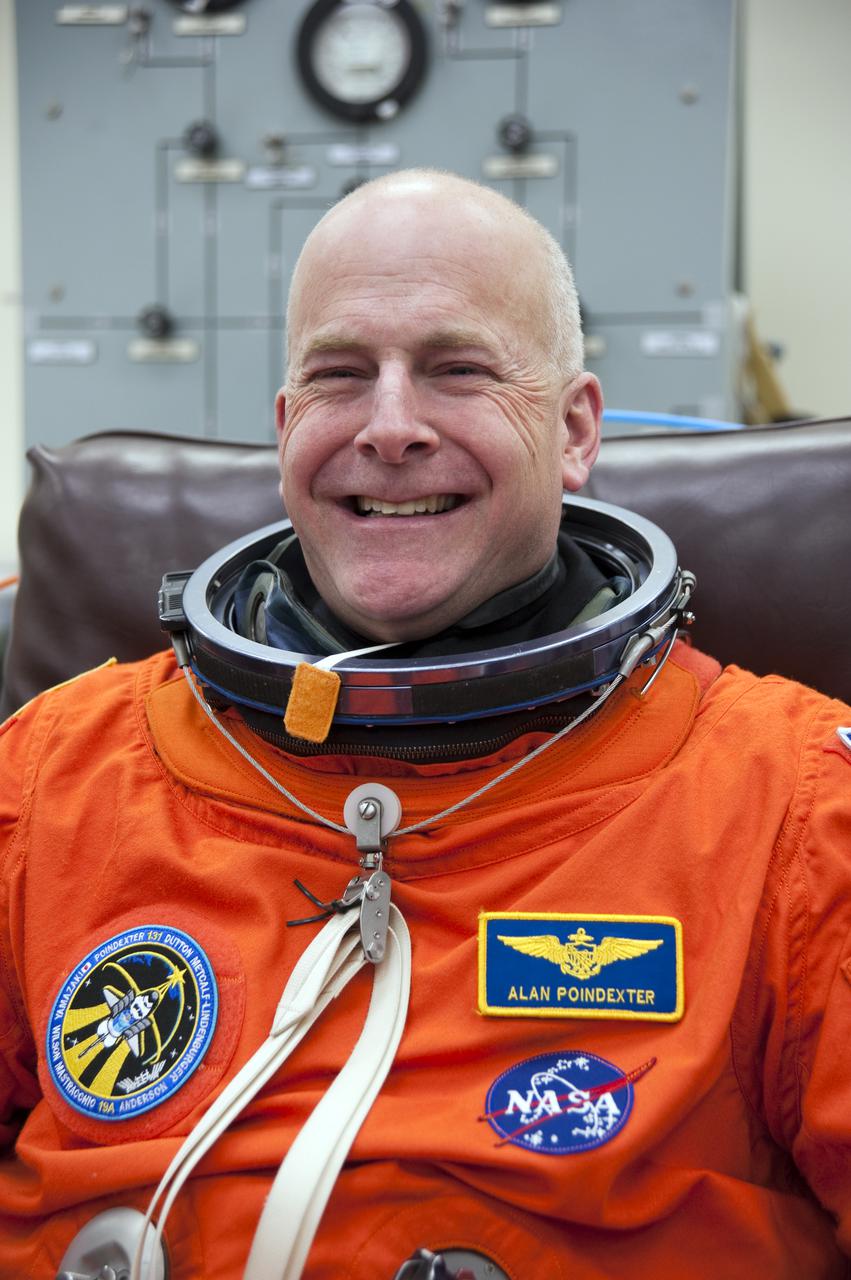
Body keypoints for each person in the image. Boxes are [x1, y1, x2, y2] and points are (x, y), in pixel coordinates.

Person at [1, 169, 850, 1280]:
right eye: (339, 376)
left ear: (575, 428)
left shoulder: (792, 810)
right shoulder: (50, 776)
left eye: (457, 371)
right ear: (285, 426)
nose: (389, 428)